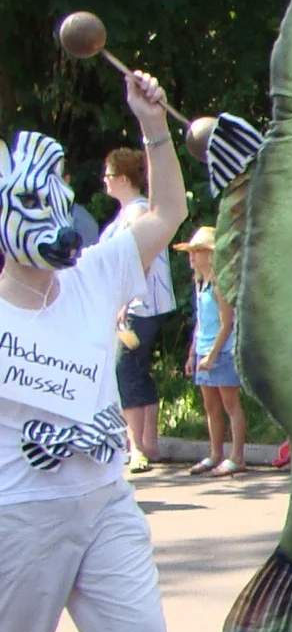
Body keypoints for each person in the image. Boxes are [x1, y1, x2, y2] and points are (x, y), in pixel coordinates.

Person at [0, 75, 218, 632]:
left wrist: (152, 125)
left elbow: (168, 210)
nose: (57, 226)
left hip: (103, 500)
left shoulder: (95, 273)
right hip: (20, 513)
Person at [99, 144, 179, 473]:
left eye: (107, 175)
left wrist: (123, 302)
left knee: (126, 371)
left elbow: (139, 259)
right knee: (138, 371)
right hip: (148, 304)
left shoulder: (135, 212)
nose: (103, 181)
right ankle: (148, 443)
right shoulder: (134, 211)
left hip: (138, 306)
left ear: (121, 178)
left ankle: (136, 448)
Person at [177, 226, 247, 476]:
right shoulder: (200, 285)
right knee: (210, 406)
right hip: (205, 351)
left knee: (230, 404)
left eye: (197, 252)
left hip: (223, 352)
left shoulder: (220, 286)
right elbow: (201, 322)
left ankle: (237, 456)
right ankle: (215, 453)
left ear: (211, 255)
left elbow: (227, 324)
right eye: (191, 252)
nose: (192, 257)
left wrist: (212, 355)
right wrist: (193, 353)